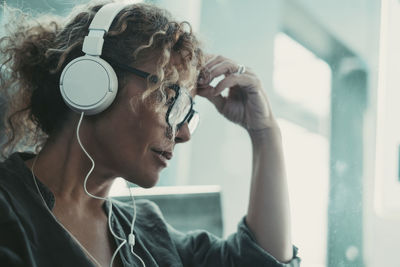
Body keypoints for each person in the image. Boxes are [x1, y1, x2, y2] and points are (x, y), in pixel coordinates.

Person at [0, 1, 300, 266]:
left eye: (187, 113)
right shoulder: (8, 210)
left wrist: (265, 133)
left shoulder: (144, 229)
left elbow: (260, 261)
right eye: (170, 99)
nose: (182, 134)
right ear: (92, 83)